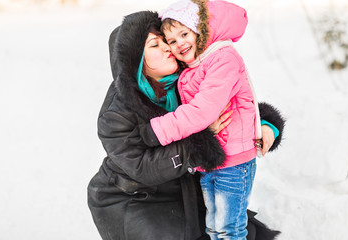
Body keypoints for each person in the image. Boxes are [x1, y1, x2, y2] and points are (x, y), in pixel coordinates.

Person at [87, 10, 284, 240]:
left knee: (244, 233)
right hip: (137, 196)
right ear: (137, 63)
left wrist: (265, 124)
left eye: (165, 41)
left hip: (185, 190)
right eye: (154, 45)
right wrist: (201, 140)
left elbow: (232, 103)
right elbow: (142, 167)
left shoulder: (185, 79)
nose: (167, 48)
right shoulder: (116, 114)